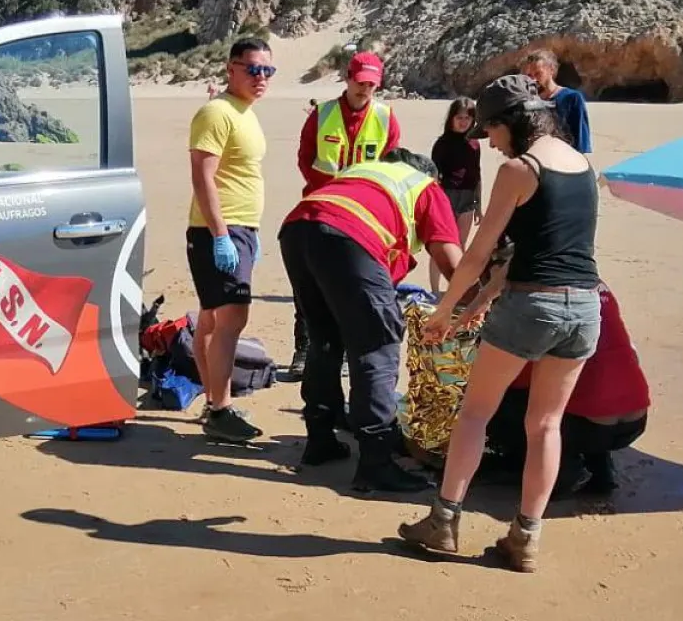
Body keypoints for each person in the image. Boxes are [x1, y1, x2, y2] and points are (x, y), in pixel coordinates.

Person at [397, 73, 603, 572]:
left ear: (514, 122)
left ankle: (443, 521)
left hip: (532, 306)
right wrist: (481, 303)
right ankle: (525, 539)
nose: (489, 142)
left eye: (490, 129)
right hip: (584, 307)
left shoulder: (519, 169)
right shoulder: (582, 165)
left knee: (474, 413)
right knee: (546, 424)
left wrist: (445, 311)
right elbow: (542, 250)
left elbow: (477, 254)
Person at [277, 147, 466, 492]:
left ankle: (320, 439)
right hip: (348, 234)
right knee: (377, 346)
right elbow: (450, 260)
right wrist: (478, 303)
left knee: (325, 340)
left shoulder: (363, 175)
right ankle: (376, 462)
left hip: (297, 229)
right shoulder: (425, 186)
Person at [286, 51, 404, 378]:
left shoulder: (385, 117)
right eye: (360, 82)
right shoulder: (322, 114)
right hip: (320, 210)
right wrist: (330, 192)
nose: (365, 89)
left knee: (355, 287)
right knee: (310, 286)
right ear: (348, 78)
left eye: (371, 84)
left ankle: (351, 353)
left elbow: (391, 165)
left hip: (364, 218)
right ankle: (304, 350)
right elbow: (306, 158)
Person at [186, 37, 275, 443]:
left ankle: (212, 401)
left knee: (211, 317)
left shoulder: (244, 112)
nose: (261, 77)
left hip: (242, 229)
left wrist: (248, 235)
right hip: (219, 229)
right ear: (231, 69)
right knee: (232, 318)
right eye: (253, 69)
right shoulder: (217, 112)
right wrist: (221, 235)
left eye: (267, 70)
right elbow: (202, 177)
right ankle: (220, 410)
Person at [483, 283, 649, 495]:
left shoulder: (539, 300)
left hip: (590, 427)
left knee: (503, 401)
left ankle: (561, 472)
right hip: (635, 418)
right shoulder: (600, 288)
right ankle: (600, 467)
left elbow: (519, 380)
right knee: (587, 386)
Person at [429, 96, 483, 292]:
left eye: (468, 118)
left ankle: (456, 290)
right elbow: (433, 176)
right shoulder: (442, 144)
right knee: (441, 246)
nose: (463, 122)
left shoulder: (474, 144)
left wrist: (479, 205)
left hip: (468, 197)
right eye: (459, 117)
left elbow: (477, 174)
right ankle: (435, 290)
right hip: (446, 196)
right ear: (451, 118)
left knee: (460, 246)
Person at [521, 48, 591, 154]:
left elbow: (581, 141)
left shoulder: (571, 98)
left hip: (565, 157)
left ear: (551, 70)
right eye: (530, 75)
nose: (533, 79)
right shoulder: (530, 101)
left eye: (538, 73)